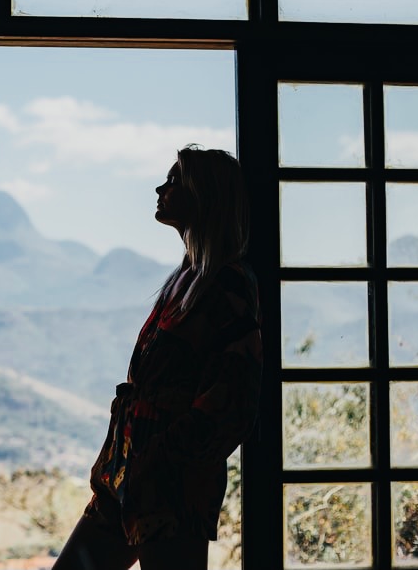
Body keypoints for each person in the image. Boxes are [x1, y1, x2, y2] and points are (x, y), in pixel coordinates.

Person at [52, 145, 263, 570]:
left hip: (172, 484)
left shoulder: (226, 287)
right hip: (131, 474)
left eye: (175, 181)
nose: (161, 188)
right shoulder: (185, 281)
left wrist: (166, 455)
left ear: (203, 198)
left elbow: (232, 394)